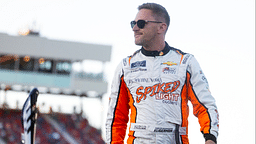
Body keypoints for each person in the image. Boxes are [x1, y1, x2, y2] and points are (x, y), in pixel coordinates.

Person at [105, 3, 219, 144]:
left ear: (161, 27)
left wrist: (210, 137)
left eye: (141, 23)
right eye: (133, 24)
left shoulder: (185, 62)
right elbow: (116, 117)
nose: (135, 28)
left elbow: (205, 104)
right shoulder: (125, 67)